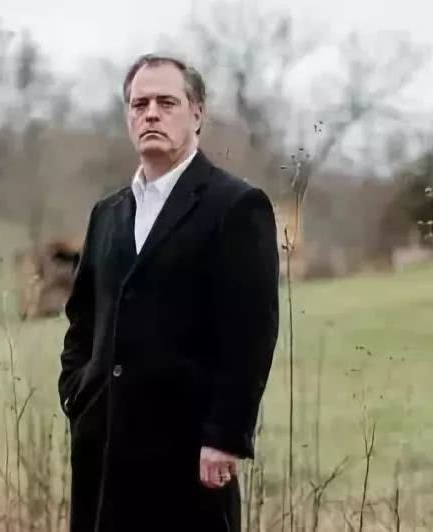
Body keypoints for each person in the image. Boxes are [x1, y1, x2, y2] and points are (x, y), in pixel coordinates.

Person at [56, 53, 280, 532]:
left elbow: (251, 334)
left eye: (166, 102)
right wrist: (77, 393)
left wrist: (225, 435)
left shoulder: (236, 206)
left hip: (191, 457)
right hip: (103, 451)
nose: (151, 114)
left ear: (196, 113)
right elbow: (83, 319)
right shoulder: (107, 214)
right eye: (139, 104)